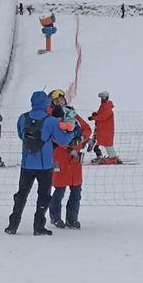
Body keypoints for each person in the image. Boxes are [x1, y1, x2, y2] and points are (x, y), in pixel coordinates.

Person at [4, 91, 74, 236]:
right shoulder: (51, 121)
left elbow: (20, 135)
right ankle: (38, 226)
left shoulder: (23, 118)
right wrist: (72, 132)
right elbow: (62, 141)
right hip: (45, 165)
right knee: (43, 196)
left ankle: (13, 225)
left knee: (21, 195)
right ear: (45, 103)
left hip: (27, 164)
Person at [47, 89, 92, 230]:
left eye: (62, 99)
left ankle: (72, 219)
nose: (61, 102)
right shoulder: (51, 117)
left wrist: (81, 138)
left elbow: (87, 128)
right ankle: (55, 217)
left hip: (74, 159)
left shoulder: (72, 113)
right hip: (60, 157)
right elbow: (54, 137)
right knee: (59, 190)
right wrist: (70, 143)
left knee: (76, 191)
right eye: (57, 100)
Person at [89, 91, 121, 164]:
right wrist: (96, 115)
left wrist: (94, 117)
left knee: (108, 144)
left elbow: (103, 117)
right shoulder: (103, 105)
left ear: (107, 97)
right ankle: (99, 156)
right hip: (102, 129)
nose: (102, 99)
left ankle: (113, 157)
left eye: (103, 97)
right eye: (101, 98)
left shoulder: (107, 108)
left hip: (106, 130)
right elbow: (101, 114)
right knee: (98, 143)